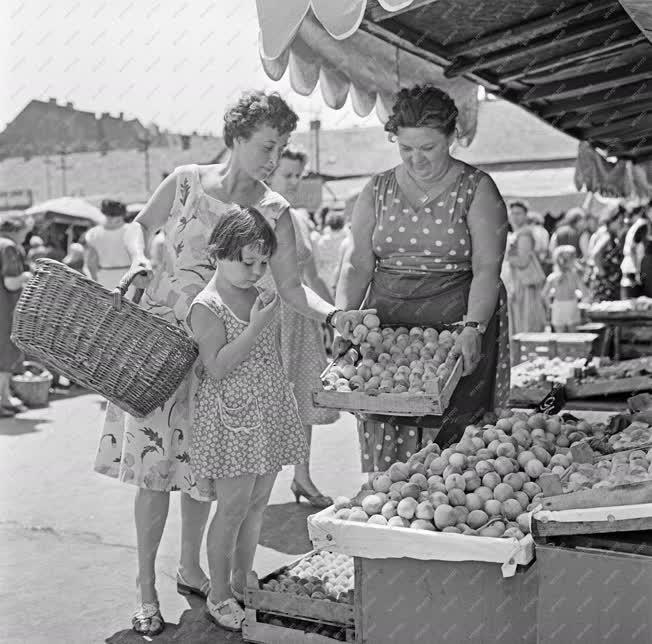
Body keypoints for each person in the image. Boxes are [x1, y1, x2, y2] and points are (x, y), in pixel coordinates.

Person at [93, 90, 373, 637]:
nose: (274, 159)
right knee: (155, 475)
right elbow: (139, 226)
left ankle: (192, 567)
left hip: (223, 367)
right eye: (267, 146)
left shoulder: (275, 211)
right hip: (160, 352)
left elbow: (291, 289)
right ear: (236, 139)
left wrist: (335, 313)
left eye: (282, 148)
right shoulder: (185, 182)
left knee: (206, 481)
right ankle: (145, 586)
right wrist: (140, 256)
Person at [336, 83, 511, 470]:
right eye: (406, 148)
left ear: (452, 136)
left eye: (428, 147)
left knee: (455, 451)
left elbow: (486, 269)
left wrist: (473, 327)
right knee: (388, 413)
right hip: (388, 332)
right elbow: (358, 262)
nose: (417, 159)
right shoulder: (377, 189)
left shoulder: (477, 189)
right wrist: (343, 314)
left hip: (458, 327)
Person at [188, 206, 308, 631]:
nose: (256, 271)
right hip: (233, 422)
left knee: (257, 504)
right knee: (232, 508)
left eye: (262, 262)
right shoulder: (208, 305)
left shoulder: (259, 294)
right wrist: (255, 327)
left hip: (266, 412)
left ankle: (241, 578)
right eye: (247, 261)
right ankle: (218, 593)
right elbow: (217, 367)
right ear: (219, 253)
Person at [266, 146, 339, 507]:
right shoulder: (255, 214)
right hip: (268, 319)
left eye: (298, 175)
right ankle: (251, 487)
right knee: (261, 405)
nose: (294, 182)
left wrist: (337, 314)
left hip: (301, 319)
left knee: (303, 403)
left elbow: (311, 277)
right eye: (287, 174)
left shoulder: (299, 218)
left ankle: (302, 477)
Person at [0, 217, 31, 417]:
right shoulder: (8, 246)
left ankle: (5, 397)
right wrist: (26, 277)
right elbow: (11, 282)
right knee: (5, 354)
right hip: (4, 307)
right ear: (16, 230)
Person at [503, 200, 547, 336]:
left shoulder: (524, 234)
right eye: (513, 213)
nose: (515, 216)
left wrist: (503, 257)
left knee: (525, 322)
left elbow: (522, 261)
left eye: (519, 213)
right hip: (516, 281)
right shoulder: (517, 233)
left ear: (525, 215)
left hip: (524, 282)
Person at [84, 199, 132, 289]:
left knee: (108, 303)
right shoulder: (132, 230)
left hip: (104, 277)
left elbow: (91, 263)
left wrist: (95, 282)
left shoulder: (93, 233)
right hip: (129, 277)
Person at [542, 246, 590, 332]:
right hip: (572, 307)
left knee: (560, 339)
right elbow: (585, 293)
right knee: (573, 338)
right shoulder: (574, 276)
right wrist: (582, 302)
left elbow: (544, 294)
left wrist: (549, 306)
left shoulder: (552, 277)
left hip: (558, 308)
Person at [590, 206, 625, 302]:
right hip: (606, 284)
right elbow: (596, 254)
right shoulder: (607, 236)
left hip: (610, 282)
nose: (621, 224)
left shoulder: (608, 235)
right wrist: (603, 275)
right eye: (620, 222)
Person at [314, 211, 350, 297]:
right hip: (343, 273)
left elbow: (318, 260)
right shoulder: (347, 240)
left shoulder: (322, 241)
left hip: (326, 274)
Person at [620, 205, 649, 298]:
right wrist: (637, 272)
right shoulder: (643, 225)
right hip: (634, 272)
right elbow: (633, 249)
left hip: (633, 270)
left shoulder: (638, 225)